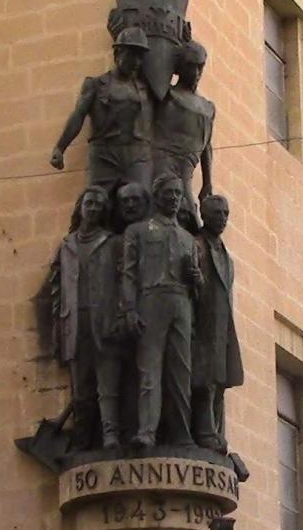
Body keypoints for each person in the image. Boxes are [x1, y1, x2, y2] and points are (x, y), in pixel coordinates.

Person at [121, 174, 203, 448]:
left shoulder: (189, 239)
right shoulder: (138, 231)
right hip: (151, 299)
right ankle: (147, 431)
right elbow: (128, 274)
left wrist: (196, 279)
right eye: (169, 192)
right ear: (157, 196)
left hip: (181, 302)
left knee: (181, 371)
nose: (174, 198)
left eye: (178, 193)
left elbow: (197, 287)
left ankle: (182, 433)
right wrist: (129, 308)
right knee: (150, 369)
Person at [50, 187, 125, 450]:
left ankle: (110, 434)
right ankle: (82, 439)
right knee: (81, 389)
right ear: (80, 207)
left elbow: (124, 282)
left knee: (107, 384)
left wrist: (119, 315)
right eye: (89, 203)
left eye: (99, 205)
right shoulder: (66, 246)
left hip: (104, 321)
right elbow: (57, 287)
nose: (93, 209)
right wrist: (58, 324)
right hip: (74, 323)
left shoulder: (112, 243)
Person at [51, 28, 154, 194]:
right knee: (97, 202)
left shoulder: (146, 89)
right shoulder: (95, 85)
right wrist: (60, 147)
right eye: (131, 54)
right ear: (117, 53)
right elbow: (78, 115)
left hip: (137, 155)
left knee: (139, 201)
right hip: (104, 154)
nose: (136, 62)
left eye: (140, 56)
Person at [190, 195, 242, 452]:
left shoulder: (226, 256)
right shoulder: (196, 245)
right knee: (205, 380)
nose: (223, 218)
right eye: (217, 213)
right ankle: (205, 431)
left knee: (220, 382)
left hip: (222, 325)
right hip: (202, 322)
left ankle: (216, 431)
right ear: (204, 215)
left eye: (226, 213)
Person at [151, 41, 215, 232]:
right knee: (177, 212)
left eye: (200, 67)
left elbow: (207, 146)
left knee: (188, 216)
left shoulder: (208, 107)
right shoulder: (166, 96)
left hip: (187, 168)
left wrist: (207, 182)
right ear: (179, 67)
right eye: (191, 66)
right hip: (163, 163)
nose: (196, 73)